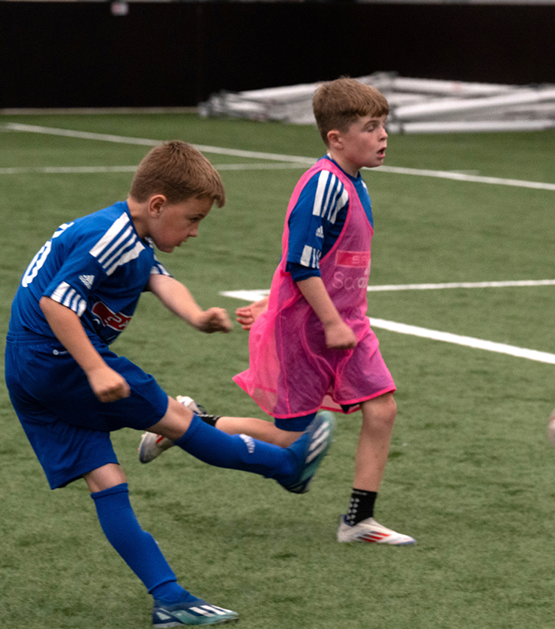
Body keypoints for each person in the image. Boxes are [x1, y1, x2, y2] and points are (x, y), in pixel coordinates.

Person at [5, 140, 335, 629]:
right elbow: (55, 305)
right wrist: (96, 369)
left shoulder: (125, 232)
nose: (195, 231)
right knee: (179, 420)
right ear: (158, 205)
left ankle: (169, 599)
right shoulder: (112, 236)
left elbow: (159, 279)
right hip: (62, 361)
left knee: (106, 481)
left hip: (26, 369)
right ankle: (286, 466)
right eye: (193, 218)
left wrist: (196, 315)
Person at [139, 79, 414, 545]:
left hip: (347, 324)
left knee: (382, 408)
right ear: (336, 138)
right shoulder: (324, 185)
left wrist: (272, 301)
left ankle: (358, 520)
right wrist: (324, 321)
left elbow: (316, 261)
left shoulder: (354, 182)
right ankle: (188, 423)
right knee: (289, 436)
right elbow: (301, 263)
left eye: (383, 125)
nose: (383, 135)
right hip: (309, 329)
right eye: (370, 127)